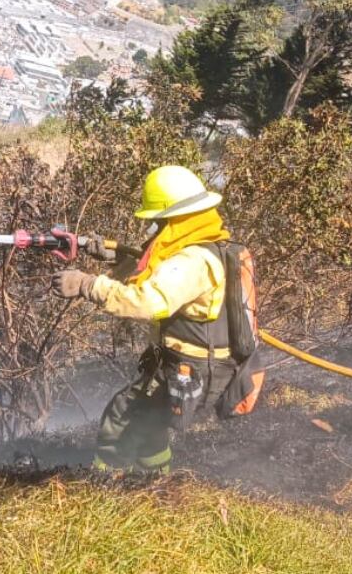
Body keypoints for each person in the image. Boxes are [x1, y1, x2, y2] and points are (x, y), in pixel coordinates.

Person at [50, 165, 236, 473]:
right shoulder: (203, 246)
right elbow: (159, 277)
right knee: (149, 426)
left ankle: (104, 487)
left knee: (120, 418)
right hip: (190, 366)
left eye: (159, 222)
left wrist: (88, 285)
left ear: (175, 219)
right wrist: (122, 260)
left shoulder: (193, 261)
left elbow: (150, 301)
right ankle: (156, 482)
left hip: (189, 371)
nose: (156, 230)